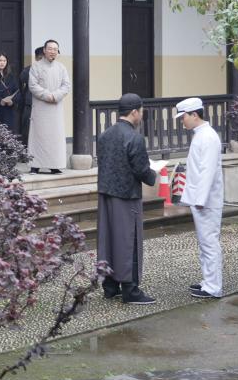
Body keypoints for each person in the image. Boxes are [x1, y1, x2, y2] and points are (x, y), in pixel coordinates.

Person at [95, 93, 161, 305]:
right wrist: (154, 174)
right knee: (128, 241)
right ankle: (130, 290)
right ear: (134, 112)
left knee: (109, 240)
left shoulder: (105, 135)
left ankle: (110, 286)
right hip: (126, 196)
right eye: (141, 111)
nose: (141, 115)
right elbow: (141, 169)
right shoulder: (135, 137)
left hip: (106, 194)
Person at [176, 97, 224, 299]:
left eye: (183, 117)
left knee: (209, 243)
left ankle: (213, 286)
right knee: (205, 243)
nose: (182, 121)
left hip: (206, 200)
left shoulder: (207, 137)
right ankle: (208, 282)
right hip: (202, 199)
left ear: (194, 115)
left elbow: (207, 171)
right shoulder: (203, 135)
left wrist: (200, 200)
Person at [27, 39, 70, 174]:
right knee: (38, 136)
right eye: (50, 49)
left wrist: (55, 96)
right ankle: (35, 165)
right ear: (44, 50)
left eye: (55, 49)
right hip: (41, 107)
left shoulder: (61, 67)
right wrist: (47, 95)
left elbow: (66, 86)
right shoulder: (36, 67)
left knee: (55, 137)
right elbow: (33, 85)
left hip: (55, 107)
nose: (52, 52)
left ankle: (54, 165)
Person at [18, 46, 43, 145]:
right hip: (30, 104)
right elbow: (22, 78)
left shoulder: (53, 69)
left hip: (45, 104)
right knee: (27, 129)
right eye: (40, 58)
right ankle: (26, 149)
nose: (42, 61)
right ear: (36, 58)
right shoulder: (29, 69)